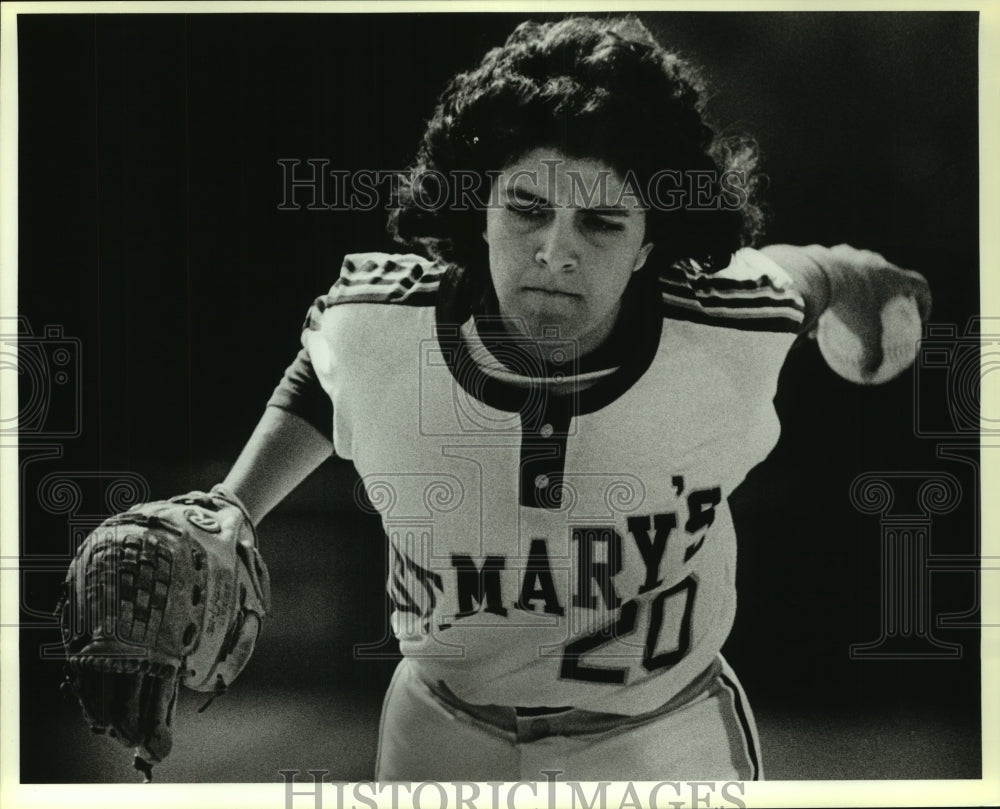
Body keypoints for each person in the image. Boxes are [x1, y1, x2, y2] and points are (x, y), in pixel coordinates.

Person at [63, 15, 931, 782]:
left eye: (600, 222)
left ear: (650, 242)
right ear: (476, 208)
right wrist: (235, 505)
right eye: (525, 208)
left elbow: (811, 273)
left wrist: (868, 281)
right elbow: (324, 379)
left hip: (660, 739)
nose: (556, 250)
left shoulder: (729, 327)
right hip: (439, 735)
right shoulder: (381, 324)